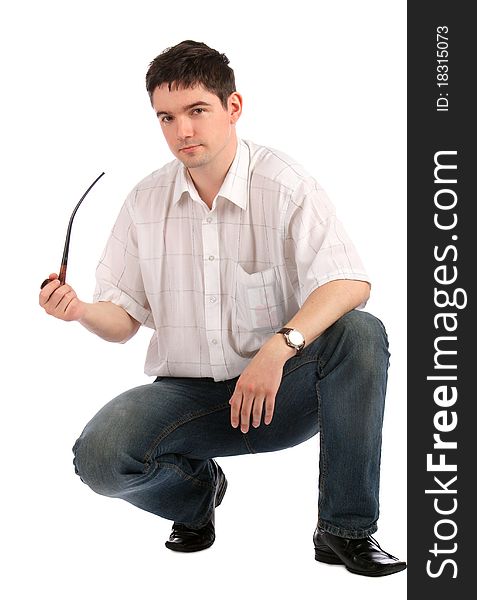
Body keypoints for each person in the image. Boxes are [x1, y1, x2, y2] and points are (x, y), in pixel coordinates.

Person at [39, 40, 406, 577]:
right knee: (99, 457)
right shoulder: (144, 202)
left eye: (196, 111)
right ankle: (197, 496)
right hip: (190, 399)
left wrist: (277, 351)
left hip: (284, 392)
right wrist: (80, 312)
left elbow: (349, 283)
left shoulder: (284, 183)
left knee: (360, 331)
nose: (181, 131)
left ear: (233, 108)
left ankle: (344, 531)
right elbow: (122, 321)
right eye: (166, 117)